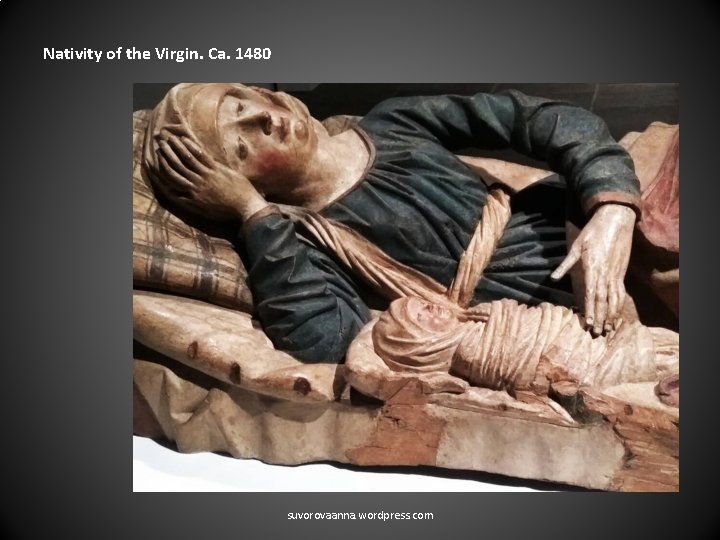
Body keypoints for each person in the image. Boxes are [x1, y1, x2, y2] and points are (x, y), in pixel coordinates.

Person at [142, 83, 640, 363]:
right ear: (239, 186)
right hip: (536, 318)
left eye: (241, 104)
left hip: (578, 220)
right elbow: (326, 341)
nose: (263, 120)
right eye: (241, 146)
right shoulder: (308, 240)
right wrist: (253, 213)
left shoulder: (392, 122)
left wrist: (611, 207)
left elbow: (538, 118)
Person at [370, 295, 679, 406]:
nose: (431, 307)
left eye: (424, 304)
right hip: (588, 361)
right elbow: (521, 359)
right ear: (418, 344)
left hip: (589, 334)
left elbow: (527, 318)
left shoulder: (475, 317)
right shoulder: (467, 353)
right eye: (420, 316)